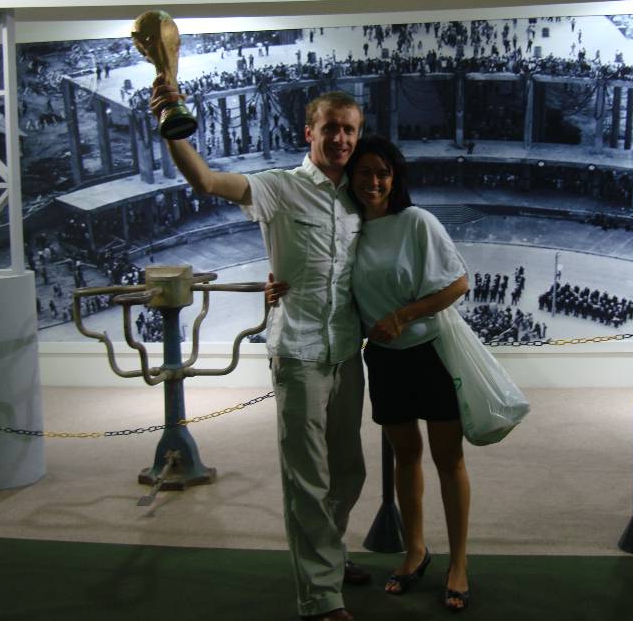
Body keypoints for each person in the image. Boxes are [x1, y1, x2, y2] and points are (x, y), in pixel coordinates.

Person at [150, 80, 369, 621]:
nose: (340, 139)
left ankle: (330, 551)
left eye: (349, 130)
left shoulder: (362, 195)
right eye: (331, 128)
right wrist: (170, 122)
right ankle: (320, 594)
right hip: (298, 352)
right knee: (308, 478)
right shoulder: (279, 188)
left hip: (347, 351)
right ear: (309, 132)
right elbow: (206, 181)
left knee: (349, 472)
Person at [352, 136, 474, 611]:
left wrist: (402, 316)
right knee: (405, 457)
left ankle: (459, 562)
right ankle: (415, 551)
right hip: (385, 360)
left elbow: (458, 283)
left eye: (383, 173)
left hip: (429, 354)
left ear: (395, 178)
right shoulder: (349, 230)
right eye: (364, 172)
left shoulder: (417, 221)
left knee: (448, 459)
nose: (374, 182)